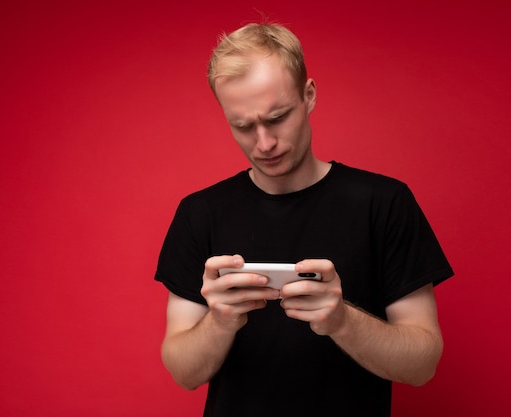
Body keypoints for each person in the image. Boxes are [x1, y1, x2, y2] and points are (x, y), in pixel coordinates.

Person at [155, 22, 453, 417]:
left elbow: (423, 364)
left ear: (308, 96)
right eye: (242, 126)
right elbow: (183, 372)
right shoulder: (199, 212)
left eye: (277, 117)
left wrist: (342, 320)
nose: (263, 143)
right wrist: (220, 322)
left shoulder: (385, 203)